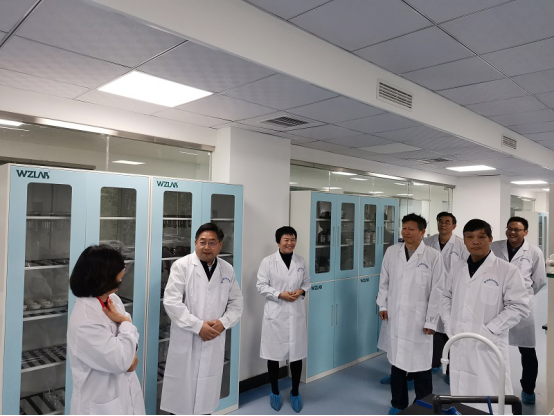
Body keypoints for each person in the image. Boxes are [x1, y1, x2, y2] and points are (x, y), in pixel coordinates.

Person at [441, 219, 530, 413]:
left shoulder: (507, 270)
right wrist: (448, 322)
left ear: (490, 239)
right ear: (464, 240)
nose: (475, 241)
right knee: (462, 392)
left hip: (489, 344)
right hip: (459, 339)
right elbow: (445, 296)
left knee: (492, 393)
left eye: (481, 237)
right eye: (470, 237)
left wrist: (489, 330)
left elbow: (519, 306)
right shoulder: (457, 268)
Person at [161, 223, 243, 416]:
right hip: (187, 337)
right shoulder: (182, 266)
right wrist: (198, 326)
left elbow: (236, 302)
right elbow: (172, 302)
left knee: (206, 399)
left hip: (214, 337)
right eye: (202, 242)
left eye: (212, 243)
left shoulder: (227, 269)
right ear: (195, 242)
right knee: (181, 401)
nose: (207, 247)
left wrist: (223, 323)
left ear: (220, 245)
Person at [377, 214, 444, 415]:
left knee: (421, 365)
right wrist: (382, 305)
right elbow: (384, 280)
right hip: (396, 315)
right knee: (397, 363)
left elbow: (438, 290)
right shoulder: (392, 251)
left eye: (411, 229)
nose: (406, 232)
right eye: (404, 228)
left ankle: (423, 405)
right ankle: (398, 404)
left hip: (419, 320)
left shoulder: (433, 256)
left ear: (422, 232)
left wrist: (431, 321)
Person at [67, 245, 145, 415]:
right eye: (122, 268)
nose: (124, 272)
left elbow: (133, 336)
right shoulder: (85, 320)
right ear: (105, 275)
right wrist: (125, 323)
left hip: (124, 391)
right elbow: (120, 360)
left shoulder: (112, 299)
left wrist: (130, 349)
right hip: (100, 402)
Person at [491, 217, 547, 405]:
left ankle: (528, 390)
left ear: (526, 232)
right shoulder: (495, 247)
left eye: (517, 229)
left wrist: (523, 296)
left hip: (522, 307)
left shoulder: (534, 252)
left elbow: (539, 281)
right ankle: (493, 385)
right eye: (510, 228)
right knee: (492, 346)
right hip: (496, 304)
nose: (512, 232)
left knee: (527, 349)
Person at [257, 226, 311, 413]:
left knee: (296, 355)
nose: (290, 243)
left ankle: (295, 392)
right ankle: (274, 391)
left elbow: (307, 282)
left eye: (293, 239)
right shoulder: (268, 262)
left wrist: (301, 290)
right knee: (273, 355)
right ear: (278, 242)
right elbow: (261, 286)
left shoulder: (301, 260)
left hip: (295, 314)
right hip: (276, 314)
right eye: (286, 240)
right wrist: (280, 294)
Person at [423, 212, 468, 380]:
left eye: (447, 222)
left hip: (452, 294)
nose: (443, 224)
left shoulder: (461, 245)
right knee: (432, 329)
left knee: (450, 331)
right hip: (430, 291)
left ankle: (451, 371)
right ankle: (434, 363)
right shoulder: (427, 242)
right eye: (440, 221)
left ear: (454, 226)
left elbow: (466, 269)